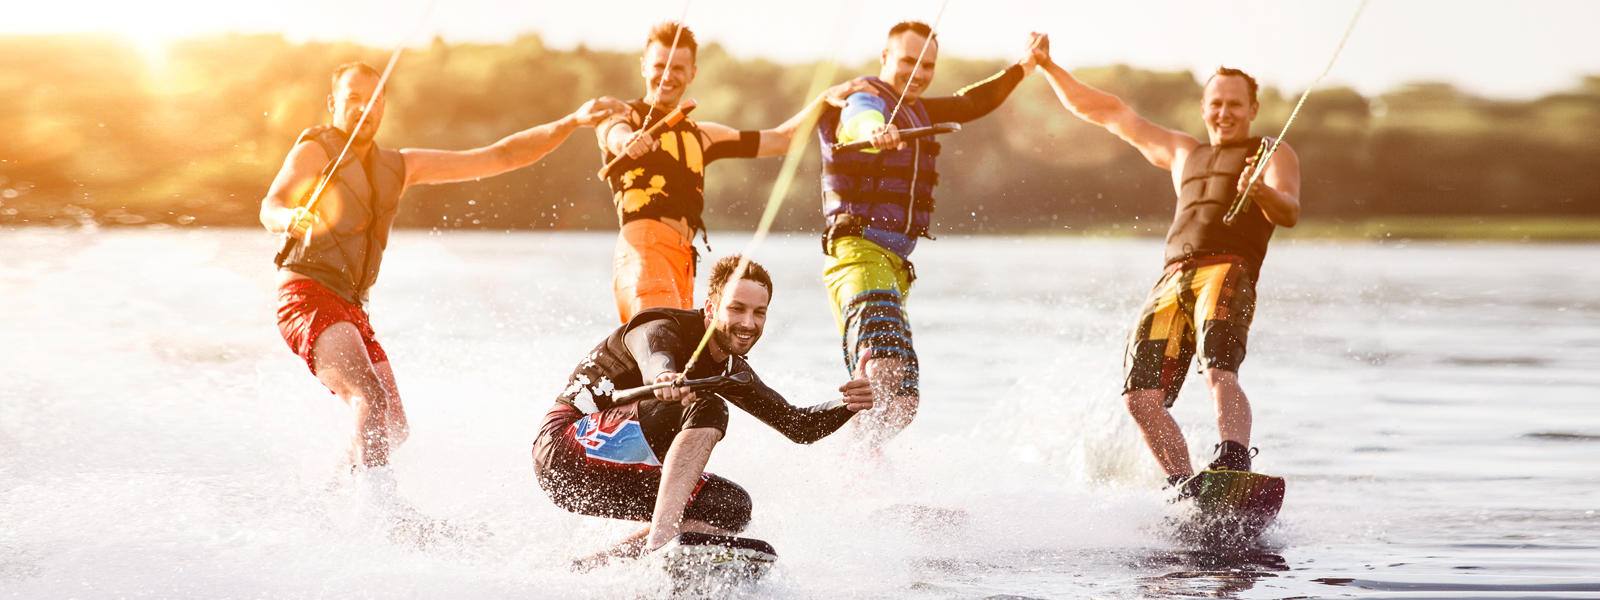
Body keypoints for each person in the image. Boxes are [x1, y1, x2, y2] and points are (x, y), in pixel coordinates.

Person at [259, 61, 624, 510]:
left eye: (374, 100)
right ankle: (379, 511)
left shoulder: (399, 166)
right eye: (353, 98)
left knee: (393, 425)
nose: (364, 108)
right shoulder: (317, 148)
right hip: (306, 292)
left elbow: (500, 155)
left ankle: (329, 495)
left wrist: (572, 121)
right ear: (334, 103)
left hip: (350, 304)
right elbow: (271, 204)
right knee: (368, 396)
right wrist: (289, 218)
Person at [1033, 40, 1301, 488]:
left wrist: (1261, 192)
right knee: (1140, 395)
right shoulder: (1182, 152)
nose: (1225, 112)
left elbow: (1288, 211)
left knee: (1218, 369)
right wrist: (1047, 67)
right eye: (1216, 103)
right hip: (1172, 279)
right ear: (1203, 107)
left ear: (1253, 108)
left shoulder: (1271, 153)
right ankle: (1184, 486)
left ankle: (1234, 460)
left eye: (1235, 104)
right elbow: (1112, 113)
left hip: (1226, 270)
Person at [534, 255, 874, 569]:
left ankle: (594, 567)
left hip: (608, 472)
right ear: (711, 308)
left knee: (730, 506)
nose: (748, 323)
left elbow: (799, 426)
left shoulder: (731, 370)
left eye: (759, 313)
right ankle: (659, 548)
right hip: (563, 450)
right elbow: (656, 358)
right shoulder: (660, 326)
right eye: (737, 309)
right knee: (709, 406)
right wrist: (663, 377)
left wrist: (848, 404)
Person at [816, 22, 1043, 452]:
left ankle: (857, 456)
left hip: (895, 269)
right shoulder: (863, 97)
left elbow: (971, 102)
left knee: (904, 401)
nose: (918, 73)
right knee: (884, 365)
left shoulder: (917, 109)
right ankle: (853, 468)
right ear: (885, 58)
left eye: (928, 66)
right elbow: (857, 122)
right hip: (857, 255)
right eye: (907, 61)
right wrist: (873, 132)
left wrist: (1024, 66)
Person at [598, 21, 872, 322]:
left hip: (683, 257)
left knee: (673, 345)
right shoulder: (624, 115)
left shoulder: (703, 136)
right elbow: (615, 133)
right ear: (643, 67)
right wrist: (628, 141)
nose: (667, 75)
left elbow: (782, 139)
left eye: (678, 68)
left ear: (692, 73)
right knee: (659, 337)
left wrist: (822, 101)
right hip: (643, 246)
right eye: (659, 65)